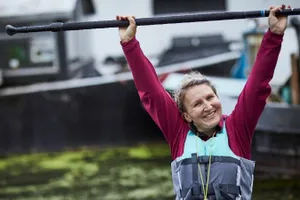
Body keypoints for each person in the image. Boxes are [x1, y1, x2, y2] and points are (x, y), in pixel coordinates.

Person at [117, 4, 290, 200]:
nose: (208, 106)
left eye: (210, 98)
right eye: (197, 104)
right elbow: (151, 93)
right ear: (186, 115)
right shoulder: (178, 135)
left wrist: (274, 34)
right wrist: (129, 43)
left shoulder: (237, 129)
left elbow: (257, 85)